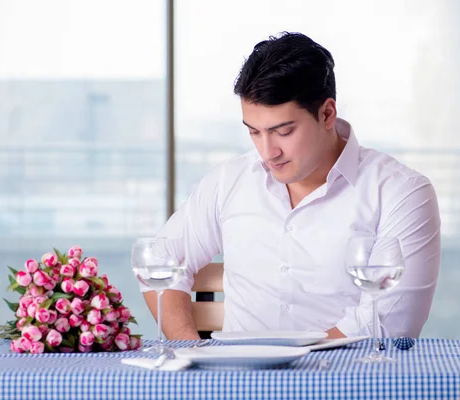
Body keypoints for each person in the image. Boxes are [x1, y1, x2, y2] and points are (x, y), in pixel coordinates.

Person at [140, 32, 441, 340]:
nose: (268, 151)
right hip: (235, 383)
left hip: (344, 380)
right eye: (254, 132)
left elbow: (392, 322)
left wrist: (290, 370)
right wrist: (193, 356)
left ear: (326, 114)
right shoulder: (229, 181)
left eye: (283, 131)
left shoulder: (401, 192)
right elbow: (160, 262)